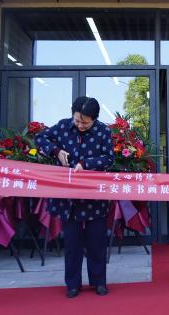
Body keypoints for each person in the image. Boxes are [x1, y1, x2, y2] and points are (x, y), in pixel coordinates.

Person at [35, 96, 114, 298]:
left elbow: (108, 158)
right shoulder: (62, 126)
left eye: (85, 122)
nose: (80, 125)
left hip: (94, 197)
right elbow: (40, 138)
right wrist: (56, 151)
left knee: (97, 242)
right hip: (67, 198)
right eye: (77, 120)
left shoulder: (103, 131)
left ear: (94, 119)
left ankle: (99, 281)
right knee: (72, 244)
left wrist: (85, 164)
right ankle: (72, 284)